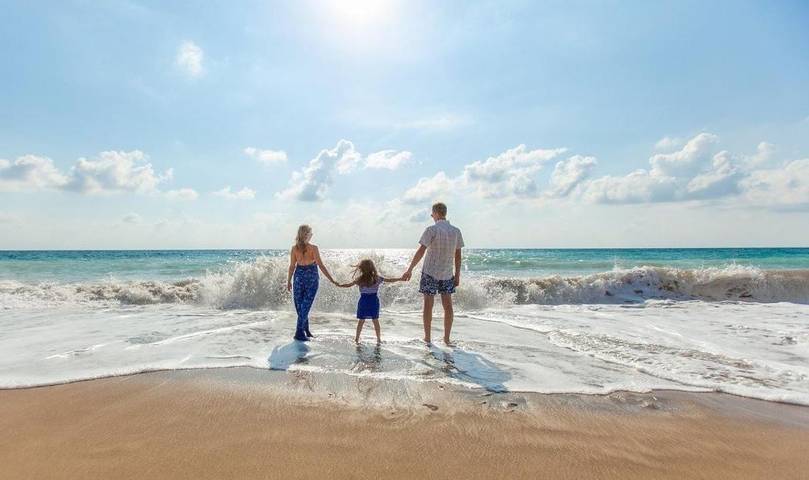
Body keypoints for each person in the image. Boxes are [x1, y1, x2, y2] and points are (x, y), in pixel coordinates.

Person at [402, 202, 464, 345]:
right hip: (447, 273)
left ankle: (428, 338)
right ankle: (447, 339)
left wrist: (410, 269)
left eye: (432, 214)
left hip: (430, 271)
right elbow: (458, 255)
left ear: (436, 213)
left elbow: (421, 251)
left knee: (428, 305)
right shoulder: (456, 231)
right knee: (448, 306)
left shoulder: (431, 229)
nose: (431, 216)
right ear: (445, 213)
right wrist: (458, 274)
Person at [286, 225, 337, 341]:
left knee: (304, 305)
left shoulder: (313, 248)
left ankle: (301, 331)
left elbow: (320, 265)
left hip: (307, 278)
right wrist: (288, 281)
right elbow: (292, 266)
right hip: (301, 277)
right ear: (306, 234)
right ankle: (303, 331)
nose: (312, 235)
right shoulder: (296, 249)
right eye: (311, 233)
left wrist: (331, 279)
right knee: (300, 307)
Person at [337, 259, 405, 344]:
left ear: (361, 269)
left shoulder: (359, 279)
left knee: (361, 321)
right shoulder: (377, 278)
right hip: (373, 301)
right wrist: (400, 278)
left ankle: (357, 339)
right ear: (372, 268)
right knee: (375, 320)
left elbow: (348, 285)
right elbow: (390, 280)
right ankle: (378, 339)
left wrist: (338, 284)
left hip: (363, 301)